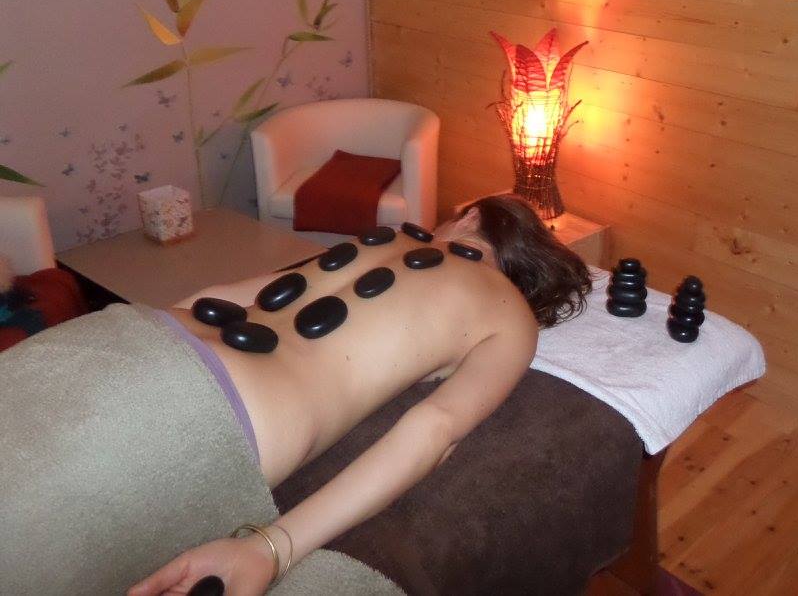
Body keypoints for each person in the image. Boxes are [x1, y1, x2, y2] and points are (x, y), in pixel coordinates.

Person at [1, 194, 591, 596]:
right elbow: (430, 431)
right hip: (193, 417)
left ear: (469, 218)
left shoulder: (386, 238)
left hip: (115, 340)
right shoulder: (512, 318)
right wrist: (272, 548)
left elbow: (221, 296)